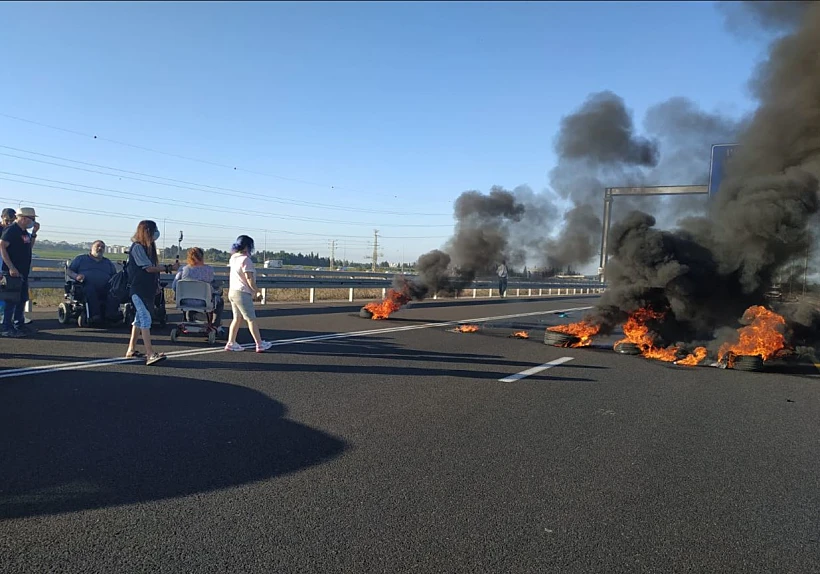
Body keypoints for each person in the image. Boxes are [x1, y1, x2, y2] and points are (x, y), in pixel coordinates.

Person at [125, 220, 178, 365]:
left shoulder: (148, 248)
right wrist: (169, 268)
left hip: (147, 289)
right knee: (145, 318)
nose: (157, 233)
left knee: (139, 319)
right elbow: (148, 268)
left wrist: (156, 284)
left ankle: (131, 350)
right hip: (138, 289)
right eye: (155, 230)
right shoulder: (137, 247)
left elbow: (152, 269)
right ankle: (150, 354)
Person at [224, 235, 272, 353]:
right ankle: (259, 344)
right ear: (247, 246)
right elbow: (249, 279)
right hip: (242, 292)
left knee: (237, 318)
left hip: (232, 291)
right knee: (251, 319)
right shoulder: (246, 260)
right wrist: (257, 291)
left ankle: (231, 342)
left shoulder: (233, 258)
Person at [0, 207, 39, 337]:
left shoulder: (23, 232)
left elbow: (29, 247)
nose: (32, 221)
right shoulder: (11, 230)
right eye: (31, 219)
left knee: (21, 300)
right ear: (23, 218)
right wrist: (11, 267)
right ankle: (6, 327)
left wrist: (34, 233)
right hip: (13, 272)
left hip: (23, 271)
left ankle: (19, 325)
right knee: (11, 301)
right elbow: (2, 246)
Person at [172, 246, 225, 334]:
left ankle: (189, 319)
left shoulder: (183, 270)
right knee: (220, 301)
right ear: (202, 257)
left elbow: (174, 286)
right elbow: (212, 284)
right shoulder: (209, 270)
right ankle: (216, 324)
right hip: (203, 302)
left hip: (185, 301)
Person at [68, 240, 120, 324]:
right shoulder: (81, 259)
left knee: (115, 290)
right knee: (90, 289)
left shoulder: (107, 262)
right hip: (85, 284)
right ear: (91, 248)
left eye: (102, 247)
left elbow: (114, 276)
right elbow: (69, 271)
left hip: (105, 286)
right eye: (98, 246)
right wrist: (76, 276)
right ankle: (95, 315)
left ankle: (111, 314)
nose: (100, 248)